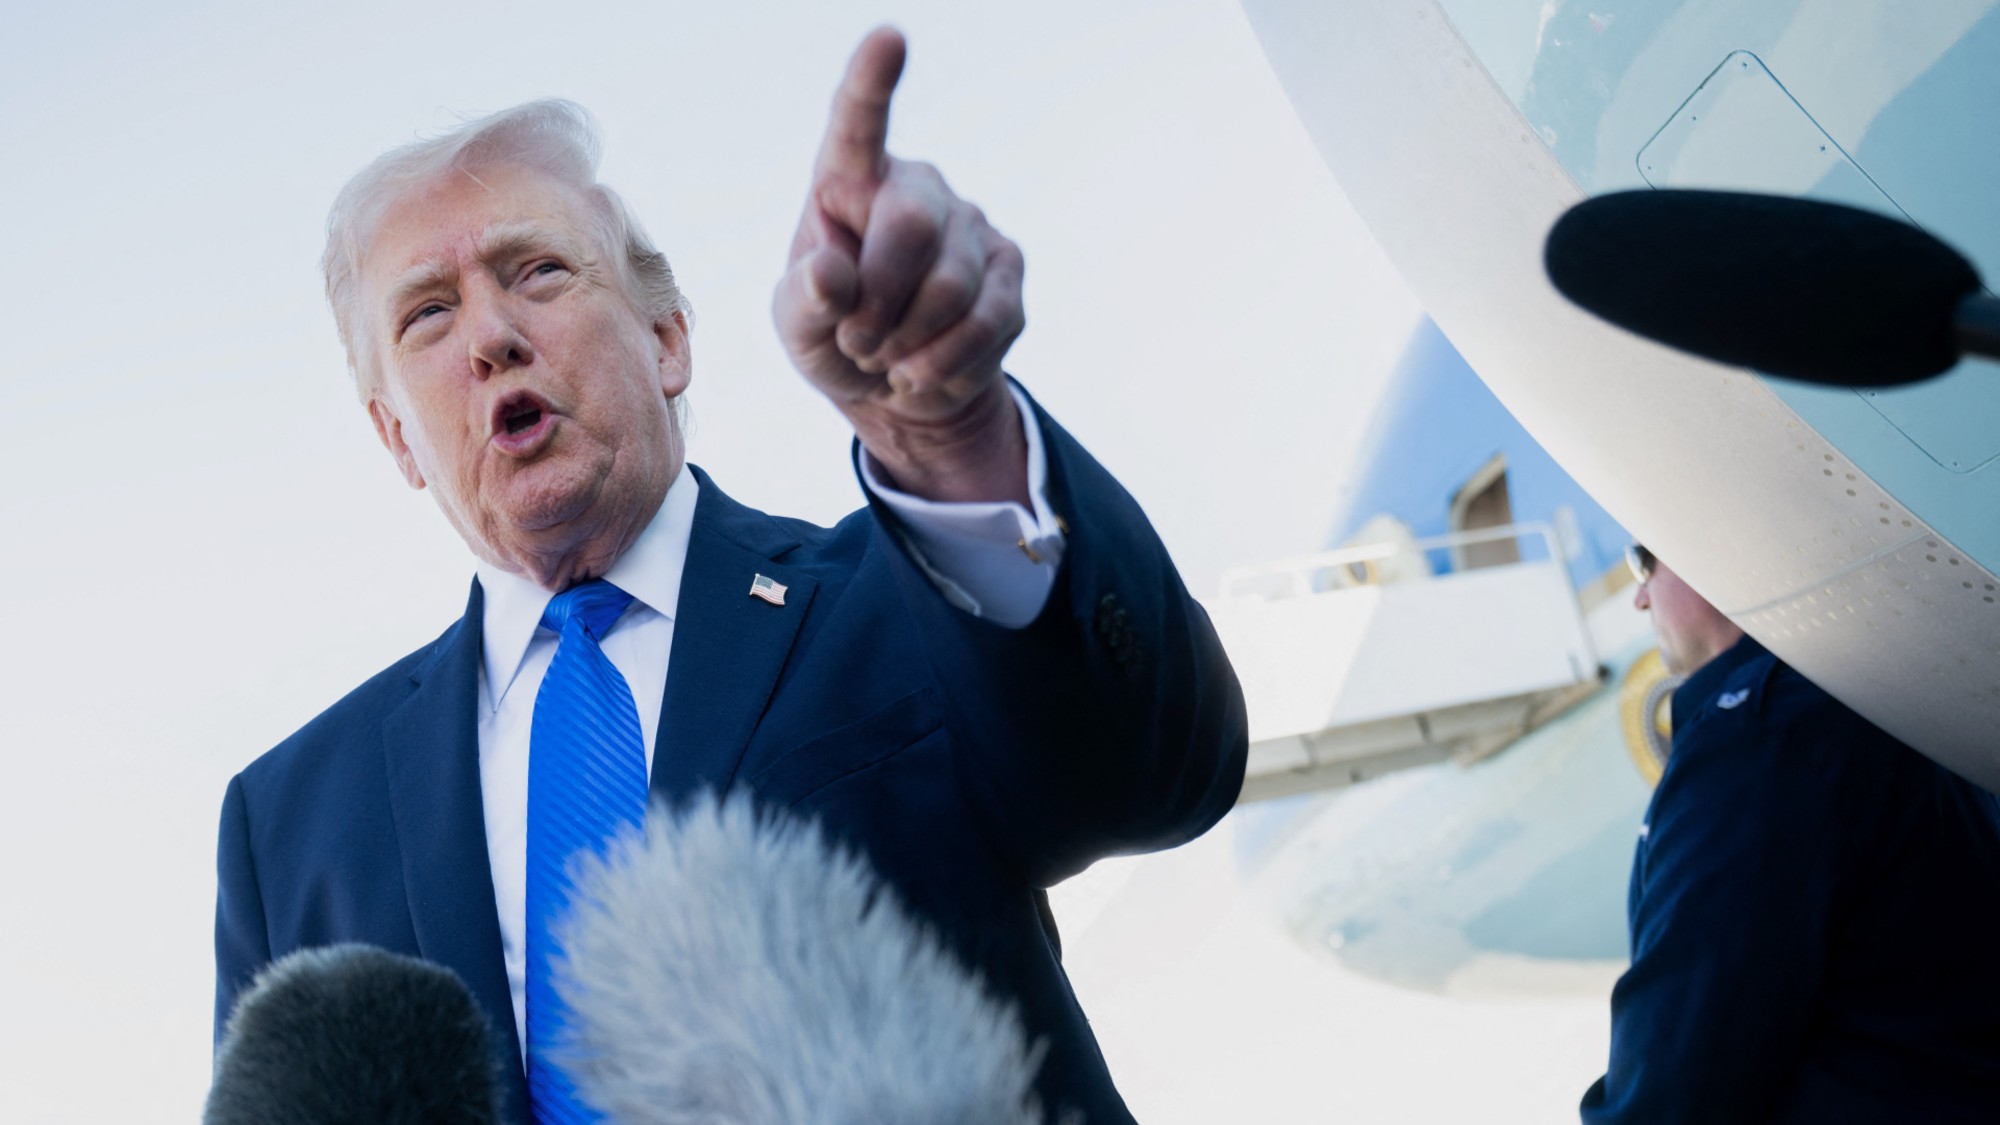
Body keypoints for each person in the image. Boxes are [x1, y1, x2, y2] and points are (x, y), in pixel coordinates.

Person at [212, 28, 1246, 1125]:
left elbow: (1159, 773)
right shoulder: (287, 824)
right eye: (428, 312)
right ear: (397, 441)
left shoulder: (905, 596)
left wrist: (954, 433)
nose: (492, 335)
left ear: (668, 341)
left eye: (540, 271)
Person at [1581, 546, 2000, 1123]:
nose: (1640, 597)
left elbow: (1679, 1071)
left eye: (1644, 563)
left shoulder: (1755, 741)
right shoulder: (1888, 694)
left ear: (1701, 545)